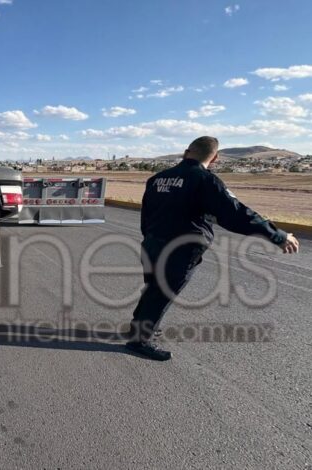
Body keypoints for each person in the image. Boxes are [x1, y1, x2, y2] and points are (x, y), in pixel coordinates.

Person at [126, 136, 300, 361]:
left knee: (154, 287)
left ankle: (138, 328)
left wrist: (149, 237)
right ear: (215, 158)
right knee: (163, 291)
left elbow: (146, 215)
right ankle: (140, 340)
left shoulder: (157, 179)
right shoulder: (205, 180)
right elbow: (236, 213)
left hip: (151, 242)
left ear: (186, 151)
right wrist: (277, 235)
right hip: (181, 248)